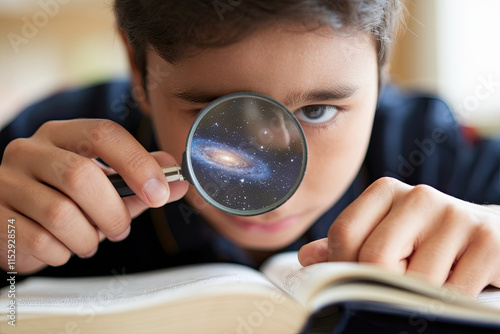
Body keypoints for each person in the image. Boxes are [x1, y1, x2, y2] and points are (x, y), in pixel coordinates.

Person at [1, 0, 499, 298]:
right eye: (216, 112)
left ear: (381, 71)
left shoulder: (431, 147)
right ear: (138, 67)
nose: (271, 193)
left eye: (318, 111)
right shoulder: (42, 159)